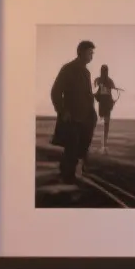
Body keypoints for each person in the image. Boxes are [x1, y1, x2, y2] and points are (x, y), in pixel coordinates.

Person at [48, 40, 97, 184]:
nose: (91, 56)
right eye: (89, 53)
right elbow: (56, 91)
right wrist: (63, 111)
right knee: (72, 147)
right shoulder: (68, 69)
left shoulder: (86, 72)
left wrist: (92, 112)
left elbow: (87, 94)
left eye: (92, 53)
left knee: (82, 147)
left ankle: (73, 172)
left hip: (86, 117)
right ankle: (67, 178)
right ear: (80, 52)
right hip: (72, 117)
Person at [93, 65, 122, 150]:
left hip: (105, 104)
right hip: (104, 104)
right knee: (104, 124)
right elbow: (99, 91)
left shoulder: (103, 80)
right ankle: (103, 143)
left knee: (105, 124)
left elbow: (105, 92)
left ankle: (104, 143)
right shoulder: (101, 80)